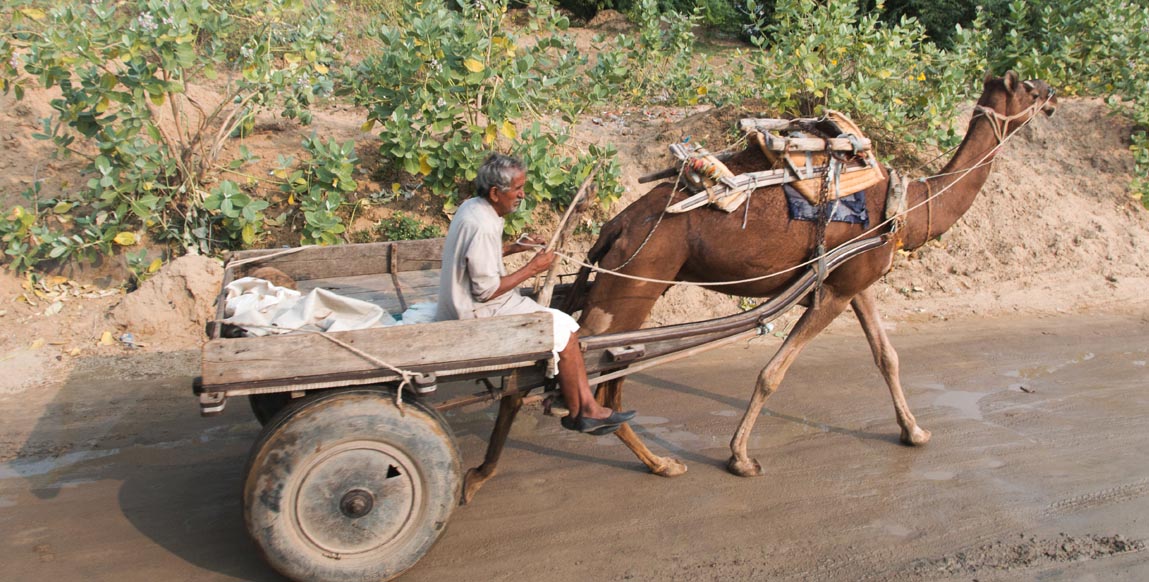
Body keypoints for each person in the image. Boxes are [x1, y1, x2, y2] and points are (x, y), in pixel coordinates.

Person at [437, 153, 635, 434]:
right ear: (495, 192)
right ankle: (581, 411)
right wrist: (532, 268)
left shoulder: (474, 209)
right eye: (517, 189)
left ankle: (584, 406)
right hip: (475, 312)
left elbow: (475, 257)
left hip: (467, 302)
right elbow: (486, 291)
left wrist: (515, 248)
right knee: (565, 331)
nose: (522, 194)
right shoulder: (481, 224)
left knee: (564, 324)